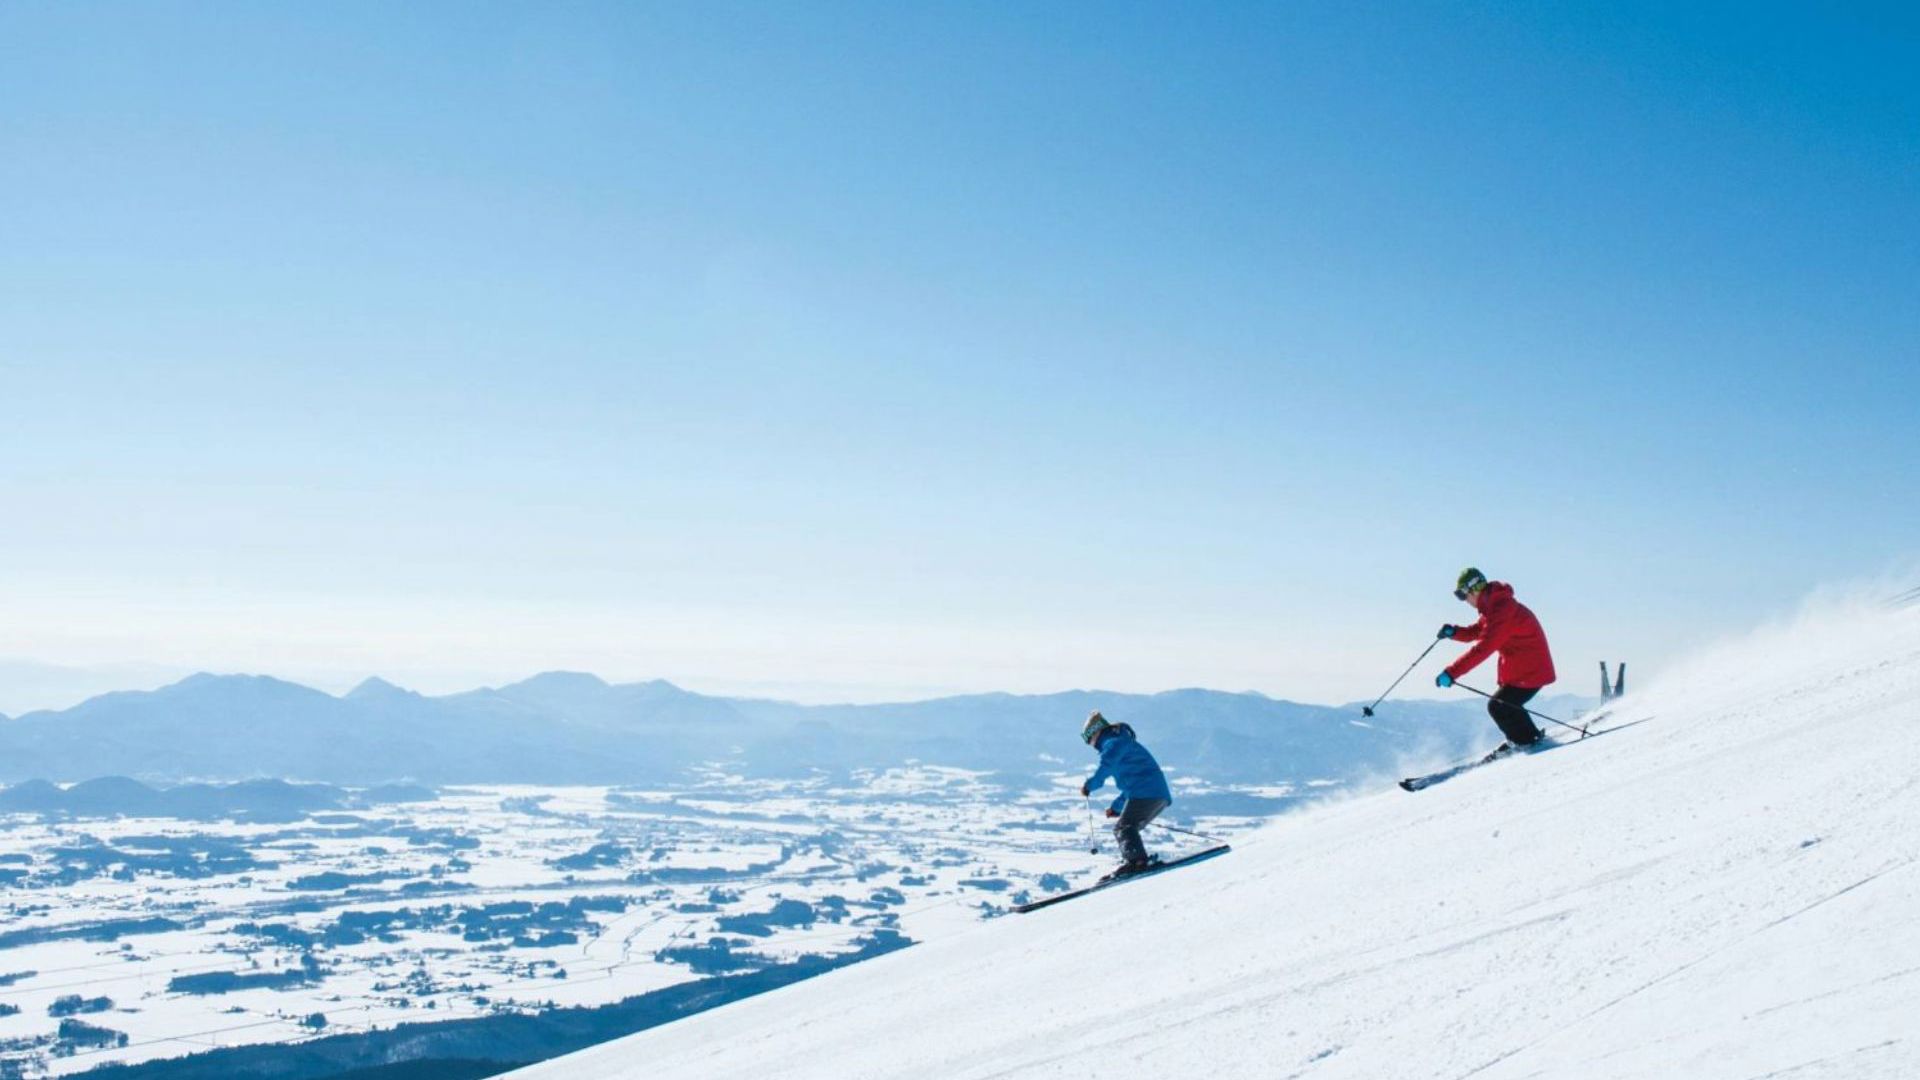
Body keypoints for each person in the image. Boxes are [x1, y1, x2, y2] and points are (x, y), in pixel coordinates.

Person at [1436, 567, 1558, 751]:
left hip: (1530, 671)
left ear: (1473, 590)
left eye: (1462, 595)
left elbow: (1484, 648)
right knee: (1507, 705)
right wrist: (1454, 632)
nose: (1464, 601)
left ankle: (1528, 744)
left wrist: (1452, 672)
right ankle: (1529, 740)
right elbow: (1478, 631)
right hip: (1525, 669)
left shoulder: (1501, 611)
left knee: (1499, 706)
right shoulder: (1493, 607)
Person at [1079, 711, 1174, 878]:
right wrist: (1116, 808)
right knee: (1128, 826)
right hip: (1153, 793)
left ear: (1095, 732)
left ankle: (1137, 862)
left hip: (1147, 792)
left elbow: (1105, 768)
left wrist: (1089, 786)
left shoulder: (1113, 744)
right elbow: (1130, 787)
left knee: (1123, 828)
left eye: (1088, 739)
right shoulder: (1119, 742)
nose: (1090, 744)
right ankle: (1137, 861)